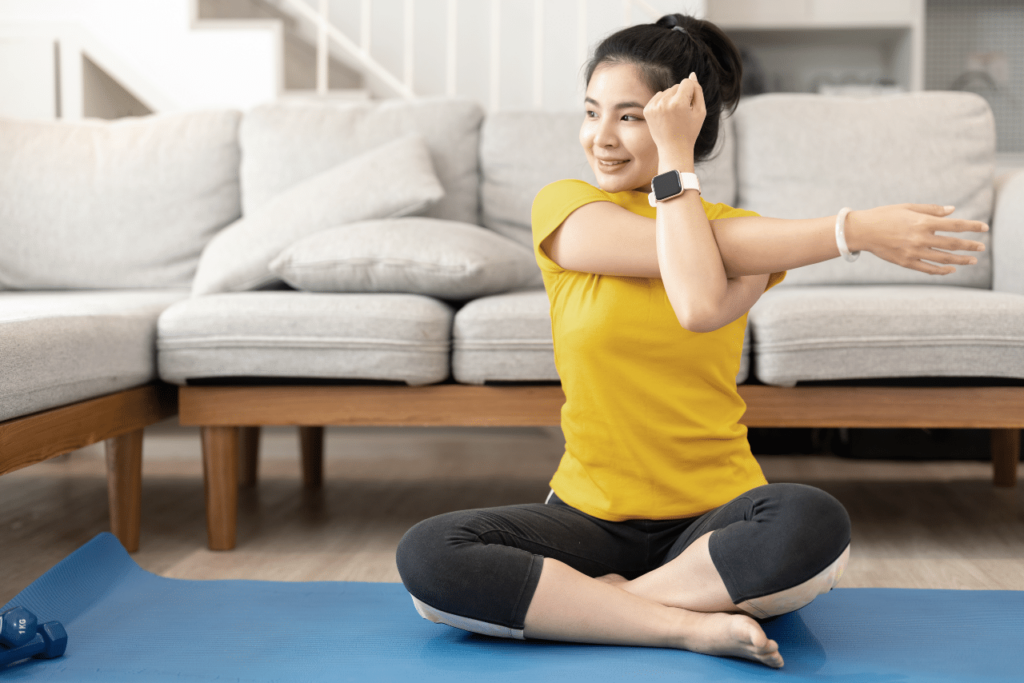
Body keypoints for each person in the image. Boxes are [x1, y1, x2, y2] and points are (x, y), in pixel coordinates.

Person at [396, 13, 988, 669]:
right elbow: (696, 275)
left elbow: (697, 303)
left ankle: (600, 608)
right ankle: (679, 624)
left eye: (631, 117)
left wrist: (677, 162)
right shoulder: (566, 207)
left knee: (813, 520)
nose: (601, 137)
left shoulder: (740, 231)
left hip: (714, 523)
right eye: (592, 112)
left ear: (685, 122)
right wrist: (854, 229)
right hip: (587, 518)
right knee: (430, 553)